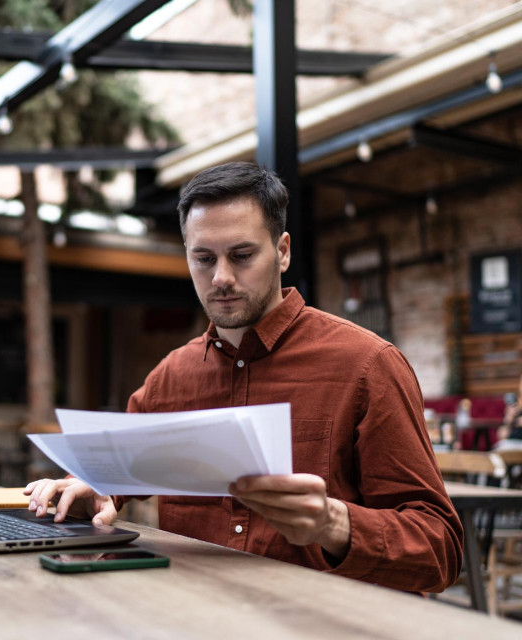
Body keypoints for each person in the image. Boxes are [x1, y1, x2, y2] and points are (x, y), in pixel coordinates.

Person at [25, 162, 463, 594]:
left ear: (284, 251)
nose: (221, 278)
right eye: (203, 258)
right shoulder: (169, 379)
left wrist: (334, 524)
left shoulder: (368, 365)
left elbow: (439, 550)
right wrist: (95, 492)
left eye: (242, 255)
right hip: (196, 616)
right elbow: (114, 483)